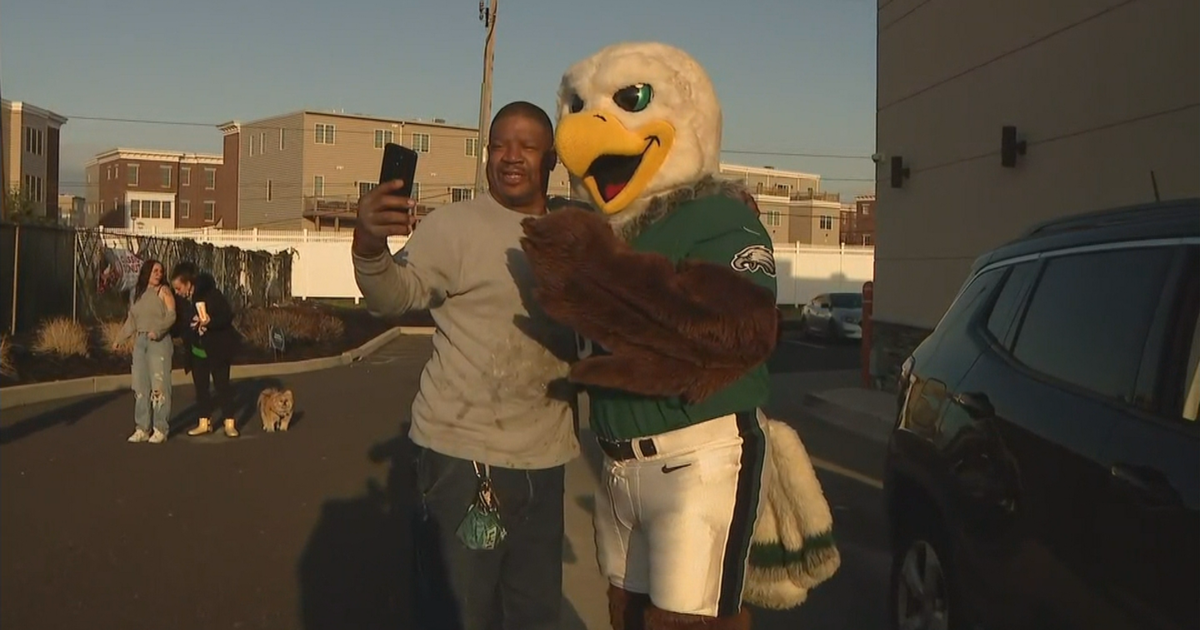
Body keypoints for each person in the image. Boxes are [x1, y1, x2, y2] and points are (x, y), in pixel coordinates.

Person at [352, 101, 578, 630]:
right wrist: (368, 243)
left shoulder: (574, 229)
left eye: (526, 145)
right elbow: (395, 296)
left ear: (552, 159)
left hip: (546, 463)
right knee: (459, 614)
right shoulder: (455, 225)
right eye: (499, 144)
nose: (510, 156)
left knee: (534, 616)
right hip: (464, 461)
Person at [170, 261, 241, 439]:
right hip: (197, 349)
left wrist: (210, 321)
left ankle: (229, 422)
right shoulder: (182, 302)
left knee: (222, 386)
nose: (178, 292)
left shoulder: (211, 294)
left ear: (188, 283)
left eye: (179, 288)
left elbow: (226, 316)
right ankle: (204, 421)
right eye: (175, 289)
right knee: (201, 388)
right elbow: (180, 324)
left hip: (217, 348)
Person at [113, 258, 177, 444]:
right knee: (140, 386)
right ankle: (142, 427)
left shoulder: (163, 292)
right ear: (147, 272)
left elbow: (172, 316)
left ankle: (160, 428)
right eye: (155, 270)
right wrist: (120, 339)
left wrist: (158, 331)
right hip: (140, 342)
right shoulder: (137, 294)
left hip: (159, 342)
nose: (159, 274)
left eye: (161, 271)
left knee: (159, 386)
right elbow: (131, 320)